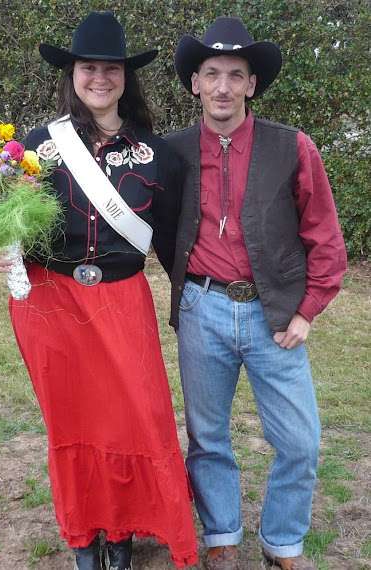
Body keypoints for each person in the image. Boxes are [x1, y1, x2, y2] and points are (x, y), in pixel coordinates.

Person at [0, 11, 199, 570]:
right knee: (73, 422)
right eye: (89, 67)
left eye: (111, 68)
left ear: (126, 77)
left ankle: (123, 532)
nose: (99, 78)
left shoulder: (159, 156)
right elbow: (16, 228)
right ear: (72, 74)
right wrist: (0, 244)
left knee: (134, 419)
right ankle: (84, 535)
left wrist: (199, 300)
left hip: (122, 303)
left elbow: (173, 244)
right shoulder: (38, 146)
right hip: (51, 304)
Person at [164, 16, 347, 570]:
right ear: (195, 82)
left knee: (300, 442)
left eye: (235, 75)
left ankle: (282, 543)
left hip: (276, 316)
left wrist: (308, 310)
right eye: (212, 73)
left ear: (251, 85)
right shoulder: (169, 152)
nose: (223, 86)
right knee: (208, 438)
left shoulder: (292, 147)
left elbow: (326, 237)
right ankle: (221, 535)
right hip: (201, 307)